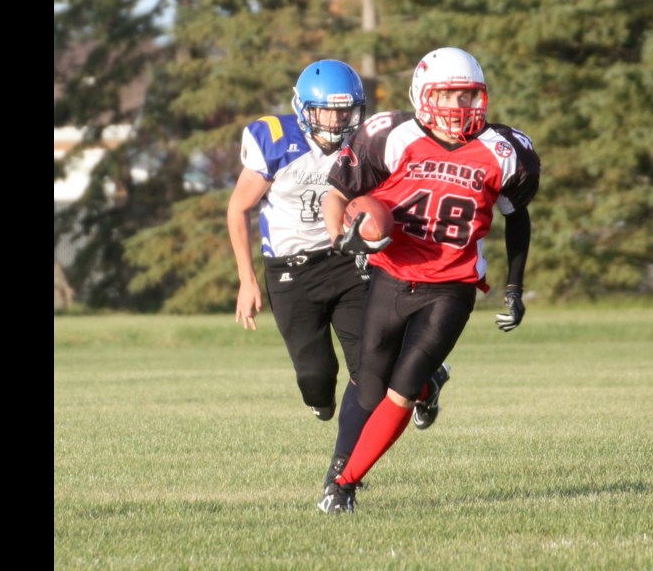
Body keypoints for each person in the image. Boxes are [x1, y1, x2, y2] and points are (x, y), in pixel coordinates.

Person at [317, 47, 541, 514]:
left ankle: (343, 484)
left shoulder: (504, 149)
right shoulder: (389, 135)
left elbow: (517, 218)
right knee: (371, 386)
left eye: (469, 95)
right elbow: (338, 195)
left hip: (451, 286)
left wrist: (514, 289)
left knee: (400, 388)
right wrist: (343, 238)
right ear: (422, 94)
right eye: (449, 94)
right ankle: (427, 388)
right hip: (391, 275)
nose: (460, 106)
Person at [227, 59, 369, 430]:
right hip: (291, 268)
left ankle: (353, 452)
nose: (336, 121)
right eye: (327, 111)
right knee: (315, 379)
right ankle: (320, 400)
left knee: (370, 368)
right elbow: (238, 208)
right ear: (305, 108)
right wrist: (247, 280)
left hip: (345, 261)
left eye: (344, 111)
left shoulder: (364, 143)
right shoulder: (276, 140)